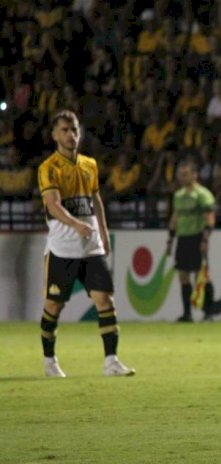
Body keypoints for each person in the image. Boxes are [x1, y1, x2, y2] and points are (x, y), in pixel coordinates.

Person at [36, 110, 135, 378]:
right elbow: (54, 206)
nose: (71, 135)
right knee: (54, 306)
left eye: (75, 130)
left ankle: (111, 361)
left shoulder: (89, 164)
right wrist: (77, 224)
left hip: (91, 247)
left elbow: (96, 199)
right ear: (55, 135)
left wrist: (103, 231)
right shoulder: (49, 168)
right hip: (62, 248)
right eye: (66, 130)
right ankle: (49, 360)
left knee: (105, 301)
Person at [166, 156, 216, 322]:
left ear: (195, 175)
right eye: (181, 174)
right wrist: (170, 240)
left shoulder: (202, 194)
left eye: (186, 174)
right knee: (183, 276)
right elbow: (175, 217)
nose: (182, 177)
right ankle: (187, 314)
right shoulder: (178, 195)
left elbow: (210, 217)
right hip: (183, 238)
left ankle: (208, 312)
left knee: (202, 275)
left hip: (197, 237)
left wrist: (205, 239)